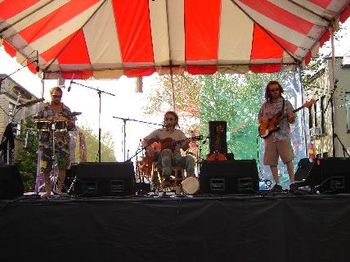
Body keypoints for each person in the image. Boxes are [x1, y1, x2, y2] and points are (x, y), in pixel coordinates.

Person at [36, 86, 76, 197]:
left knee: (62, 165)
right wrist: (47, 120)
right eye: (55, 96)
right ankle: (48, 190)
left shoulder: (66, 110)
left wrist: (69, 122)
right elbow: (37, 121)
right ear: (51, 95)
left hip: (62, 140)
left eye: (59, 96)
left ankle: (58, 189)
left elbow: (72, 127)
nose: (57, 98)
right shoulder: (44, 108)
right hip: (46, 139)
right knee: (45, 166)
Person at [258, 81, 295, 192]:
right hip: (270, 137)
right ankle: (277, 184)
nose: (275, 92)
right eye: (272, 90)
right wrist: (264, 122)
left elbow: (292, 121)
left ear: (280, 90)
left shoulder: (286, 103)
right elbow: (259, 119)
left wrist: (291, 116)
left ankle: (293, 183)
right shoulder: (265, 106)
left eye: (277, 90)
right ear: (268, 92)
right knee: (272, 161)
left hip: (283, 135)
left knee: (288, 159)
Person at [143, 111, 195, 187]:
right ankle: (166, 179)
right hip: (162, 160)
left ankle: (191, 182)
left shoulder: (179, 133)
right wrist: (149, 148)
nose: (168, 121)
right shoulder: (159, 132)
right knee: (167, 151)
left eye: (171, 119)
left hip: (176, 158)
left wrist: (186, 143)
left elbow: (184, 148)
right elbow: (145, 140)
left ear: (175, 121)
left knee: (190, 158)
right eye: (166, 119)